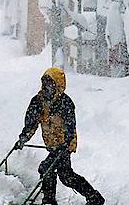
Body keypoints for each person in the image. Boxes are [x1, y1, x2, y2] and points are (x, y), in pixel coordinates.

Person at [14, 68, 104, 205]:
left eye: (50, 84)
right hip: (52, 144)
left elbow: (70, 126)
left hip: (64, 145)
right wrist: (24, 138)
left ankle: (49, 200)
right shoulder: (38, 101)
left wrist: (66, 143)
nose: (47, 87)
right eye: (45, 84)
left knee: (46, 168)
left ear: (58, 85)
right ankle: (94, 197)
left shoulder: (65, 103)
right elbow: (31, 123)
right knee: (65, 176)